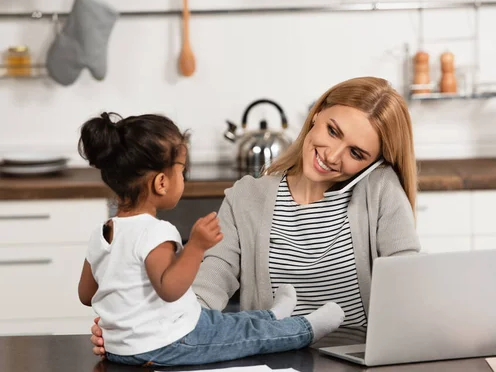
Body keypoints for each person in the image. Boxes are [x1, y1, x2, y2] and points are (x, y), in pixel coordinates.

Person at [90, 76, 421, 356]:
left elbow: (409, 282)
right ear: (316, 115)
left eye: (356, 153)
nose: (332, 156)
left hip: (360, 356)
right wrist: (154, 328)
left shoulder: (380, 190)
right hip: (274, 359)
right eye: (333, 131)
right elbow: (211, 281)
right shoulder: (247, 196)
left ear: (373, 163)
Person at [78, 112, 344, 366]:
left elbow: (86, 294)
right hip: (169, 343)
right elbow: (170, 290)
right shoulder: (155, 232)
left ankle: (272, 315)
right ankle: (307, 328)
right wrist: (196, 246)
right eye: (181, 171)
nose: (183, 178)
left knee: (223, 322)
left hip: (120, 349)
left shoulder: (102, 232)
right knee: (246, 338)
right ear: (161, 183)